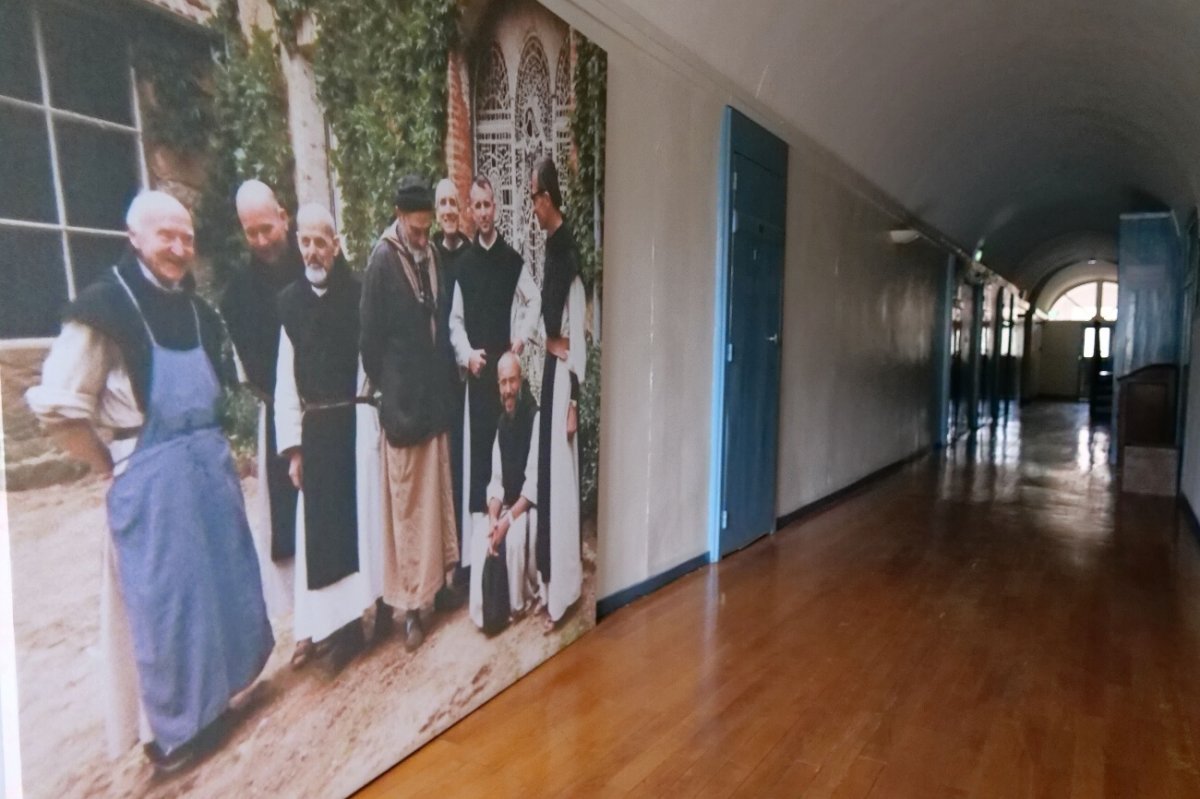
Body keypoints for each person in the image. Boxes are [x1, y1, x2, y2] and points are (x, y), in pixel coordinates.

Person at [26, 191, 274, 772]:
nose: (179, 248)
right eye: (166, 236)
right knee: (168, 605)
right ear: (134, 236)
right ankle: (177, 732)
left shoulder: (196, 311)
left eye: (186, 238)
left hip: (207, 471)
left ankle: (225, 695)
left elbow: (229, 383)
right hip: (152, 476)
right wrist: (105, 464)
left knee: (222, 584)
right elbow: (60, 408)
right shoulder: (107, 309)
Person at [274, 204, 384, 671]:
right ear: (298, 244)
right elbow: (284, 382)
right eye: (306, 242)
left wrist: (372, 417)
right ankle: (335, 631)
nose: (314, 251)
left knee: (362, 522)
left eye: (322, 242)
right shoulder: (289, 304)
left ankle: (370, 616)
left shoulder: (358, 293)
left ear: (336, 246)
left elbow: (370, 358)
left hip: (354, 424)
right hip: (317, 432)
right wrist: (293, 447)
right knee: (323, 534)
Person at [360, 176, 460, 652]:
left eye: (427, 230)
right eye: (416, 230)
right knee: (407, 511)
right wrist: (392, 388)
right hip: (402, 408)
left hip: (434, 401)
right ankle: (410, 611)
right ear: (400, 219)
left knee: (435, 502)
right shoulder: (382, 262)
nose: (423, 238)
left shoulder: (433, 254)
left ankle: (438, 589)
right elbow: (369, 344)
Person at [221, 179, 304, 625]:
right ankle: (304, 626)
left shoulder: (312, 257)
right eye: (251, 233)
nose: (261, 241)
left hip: (329, 400)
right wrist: (288, 413)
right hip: (279, 409)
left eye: (266, 229)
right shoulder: (238, 293)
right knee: (285, 520)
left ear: (283, 217)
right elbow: (251, 372)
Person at [450, 176, 539, 584]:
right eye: (477, 206)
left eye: (489, 205)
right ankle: (479, 557)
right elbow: (454, 322)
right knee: (481, 459)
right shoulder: (464, 265)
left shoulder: (510, 259)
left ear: (496, 209)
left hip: (505, 381)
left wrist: (519, 340)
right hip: (480, 381)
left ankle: (513, 544)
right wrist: (467, 354)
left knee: (511, 456)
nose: (483, 213)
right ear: (470, 210)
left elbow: (533, 299)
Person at [530, 156, 587, 631]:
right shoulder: (551, 247)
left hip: (565, 377)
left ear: (545, 199)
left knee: (562, 484)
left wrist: (572, 401)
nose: (531, 207)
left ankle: (564, 595)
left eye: (533, 198)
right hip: (552, 371)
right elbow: (547, 326)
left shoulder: (567, 251)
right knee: (548, 479)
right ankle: (548, 585)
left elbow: (578, 335)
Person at [469, 352, 540, 631]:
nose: (508, 389)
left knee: (512, 540)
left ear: (520, 381)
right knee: (480, 540)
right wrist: (493, 520)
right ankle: (486, 613)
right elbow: (496, 481)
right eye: (503, 383)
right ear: (497, 386)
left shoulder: (535, 419)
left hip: (528, 505)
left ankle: (514, 607)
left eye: (512, 381)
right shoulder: (500, 425)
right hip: (508, 506)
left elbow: (534, 481)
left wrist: (508, 522)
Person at [433, 177, 470, 573]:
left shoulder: (471, 254)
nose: (446, 210)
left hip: (466, 371)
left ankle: (468, 554)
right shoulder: (427, 256)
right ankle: (448, 555)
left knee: (464, 456)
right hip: (437, 373)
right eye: (440, 203)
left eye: (451, 203)